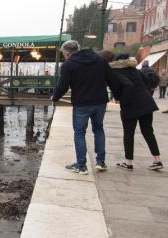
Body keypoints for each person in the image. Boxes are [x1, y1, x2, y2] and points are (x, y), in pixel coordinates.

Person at [53, 40, 114, 175]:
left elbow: (62, 86)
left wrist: (55, 97)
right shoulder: (100, 60)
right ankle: (101, 162)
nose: (64, 56)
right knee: (98, 129)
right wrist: (118, 95)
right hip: (100, 102)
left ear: (68, 53)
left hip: (81, 103)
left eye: (64, 54)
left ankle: (81, 165)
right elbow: (112, 79)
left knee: (80, 133)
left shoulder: (69, 64)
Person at [109, 54, 163, 170]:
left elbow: (126, 86)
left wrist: (121, 99)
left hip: (130, 106)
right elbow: (148, 82)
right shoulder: (135, 70)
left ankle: (128, 163)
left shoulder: (117, 72)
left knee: (129, 133)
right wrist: (144, 94)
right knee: (148, 132)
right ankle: (157, 160)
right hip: (146, 103)